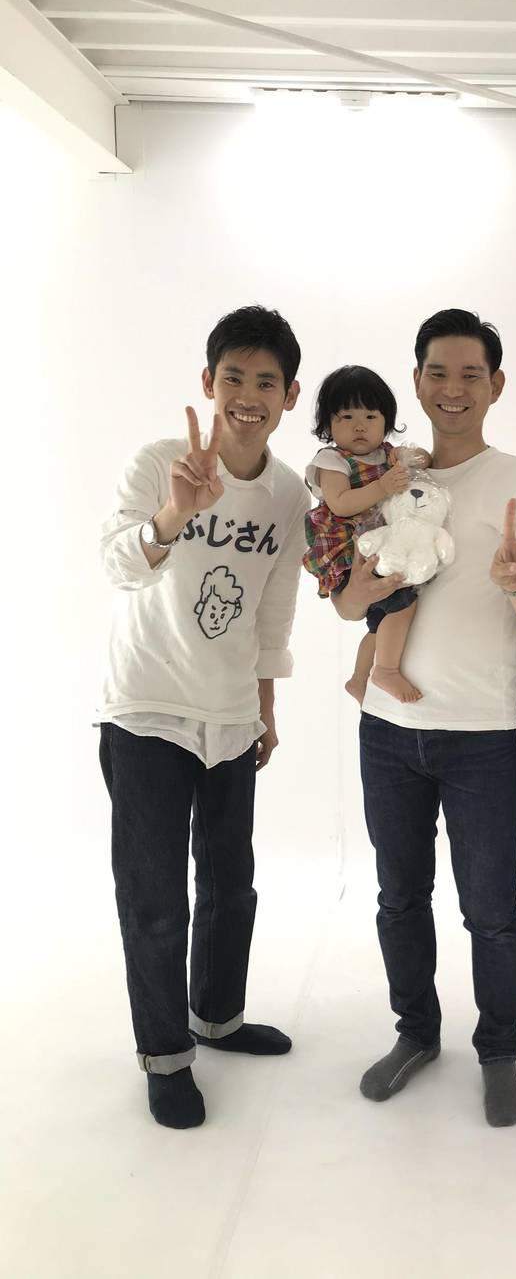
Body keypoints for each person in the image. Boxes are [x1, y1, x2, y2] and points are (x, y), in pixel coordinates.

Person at [334, 308, 516, 1127]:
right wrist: (359, 593)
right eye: (438, 372)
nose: (454, 388)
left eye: (472, 374)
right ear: (417, 381)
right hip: (387, 731)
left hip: (483, 736)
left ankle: (498, 1050)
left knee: (491, 908)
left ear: (496, 385)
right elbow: (348, 602)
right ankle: (416, 1033)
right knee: (399, 896)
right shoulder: (387, 475)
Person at [97, 305, 311, 1130]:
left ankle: (217, 1018)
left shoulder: (288, 492)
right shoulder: (160, 462)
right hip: (147, 708)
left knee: (229, 882)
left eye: (266, 382)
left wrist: (264, 705)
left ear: (290, 395)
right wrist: (172, 515)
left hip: (229, 714)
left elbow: (275, 609)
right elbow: (116, 564)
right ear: (208, 382)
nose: (248, 396)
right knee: (155, 898)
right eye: (234, 378)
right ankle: (166, 1058)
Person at [302, 365, 424, 704]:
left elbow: (421, 460)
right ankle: (385, 670)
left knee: (382, 617)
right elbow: (340, 503)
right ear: (328, 424)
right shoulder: (332, 460)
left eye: (370, 416)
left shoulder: (387, 455)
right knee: (403, 604)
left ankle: (359, 679)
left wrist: (414, 458)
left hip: (378, 547)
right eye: (346, 417)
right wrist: (383, 486)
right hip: (346, 550)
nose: (359, 426)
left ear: (386, 421)